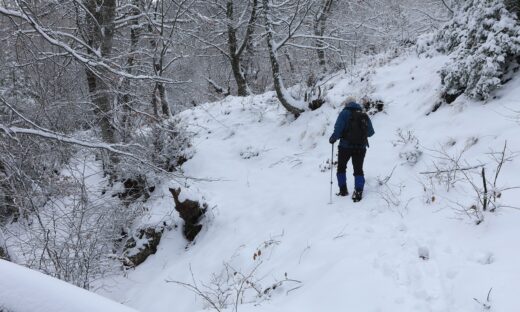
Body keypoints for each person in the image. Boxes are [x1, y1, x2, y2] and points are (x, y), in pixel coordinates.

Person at [329, 97, 375, 202]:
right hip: (361, 147)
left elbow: (338, 129)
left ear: (346, 104)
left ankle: (343, 190)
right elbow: (370, 133)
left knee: (341, 168)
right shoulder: (364, 115)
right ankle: (358, 191)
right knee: (358, 169)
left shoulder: (344, 113)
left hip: (345, 146)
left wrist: (333, 138)